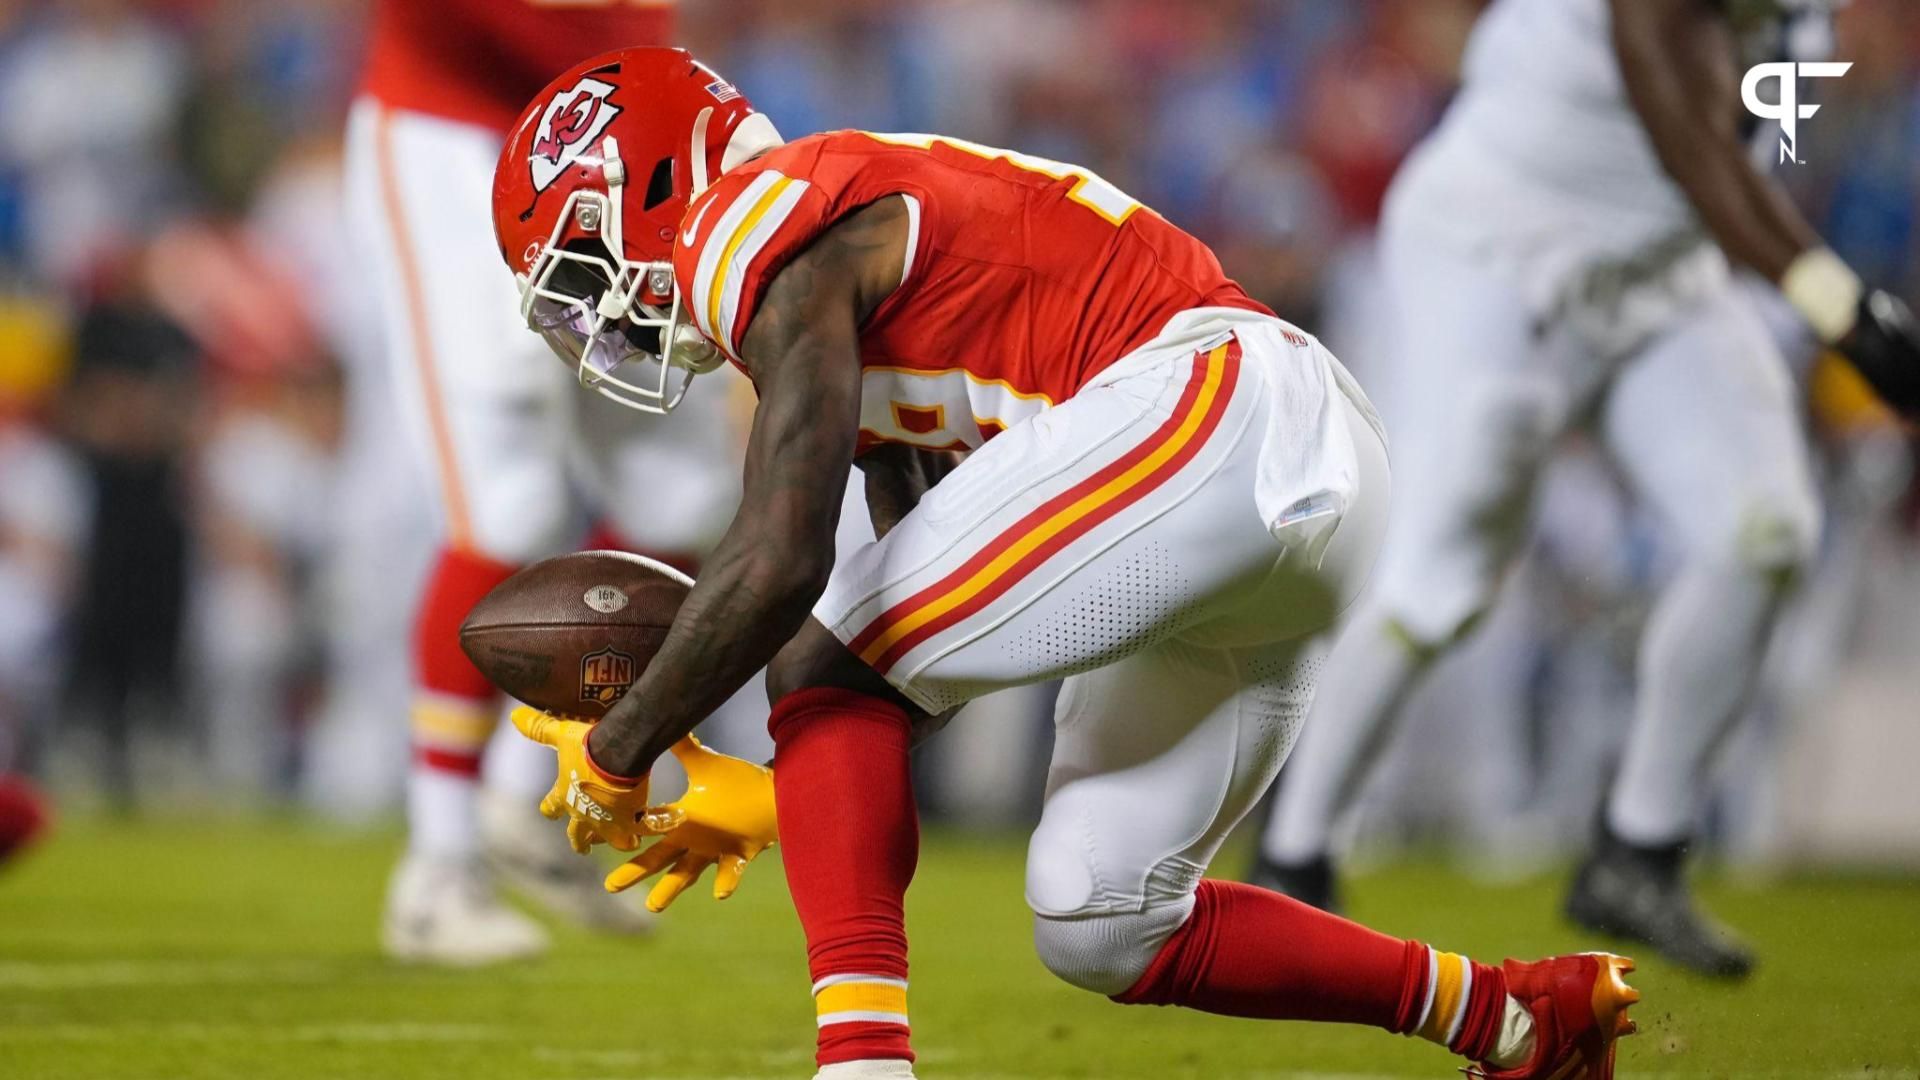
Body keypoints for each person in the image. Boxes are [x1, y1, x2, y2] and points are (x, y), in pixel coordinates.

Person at [498, 47, 1640, 1080]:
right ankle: (1518, 1021)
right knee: (1103, 913)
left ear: (645, 183)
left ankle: (861, 1067)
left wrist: (621, 747)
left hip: (1207, 413)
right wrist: (793, 784)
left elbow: (788, 560)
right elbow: (919, 634)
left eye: (584, 261)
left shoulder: (752, 216)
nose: (601, 314)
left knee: (828, 658)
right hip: (1303, 467)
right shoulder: (850, 251)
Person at [1250, 0, 1920, 979]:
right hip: (1497, 263)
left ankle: (1639, 850)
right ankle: (1293, 860)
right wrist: (1842, 308)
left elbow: (1743, 146)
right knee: (1441, 579)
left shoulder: (1801, 22)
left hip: (1660, 283)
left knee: (1764, 533)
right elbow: (1695, 150)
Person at [342, 0, 752, 965]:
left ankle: (533, 794)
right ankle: (437, 865)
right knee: (505, 508)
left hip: (609, 138)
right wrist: (637, 67)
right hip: (458, 135)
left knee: (681, 495)